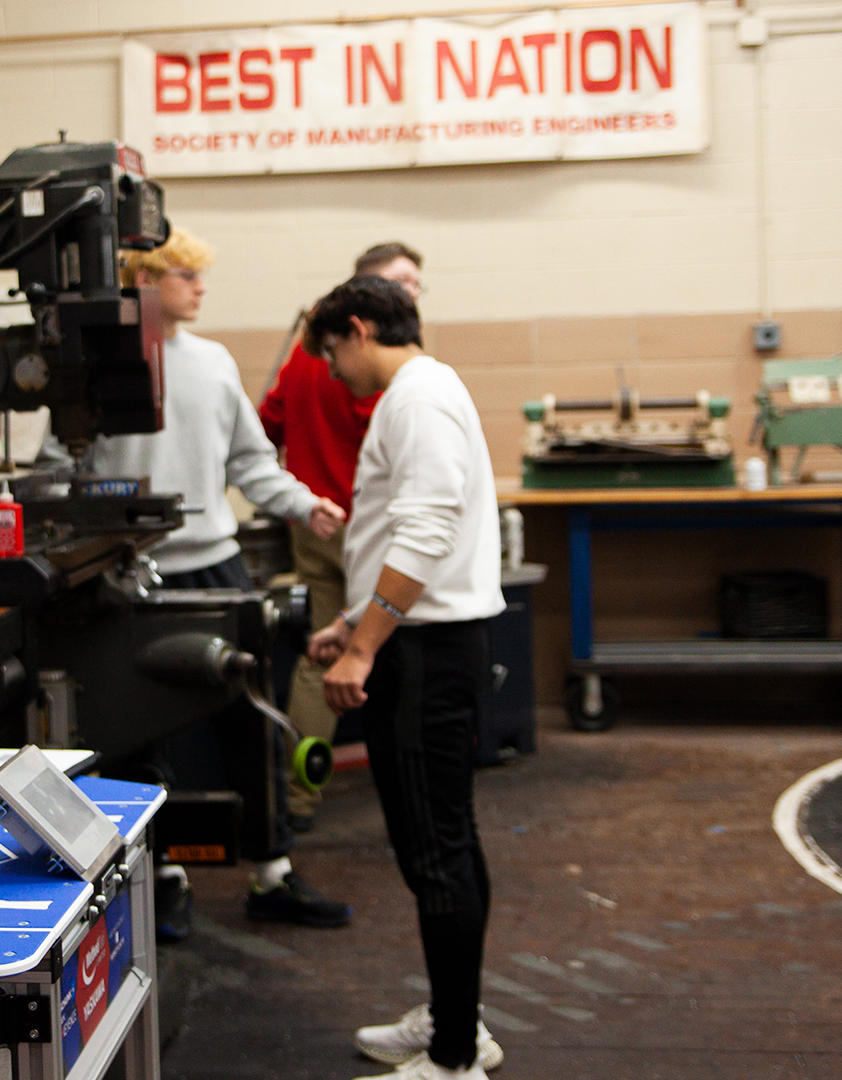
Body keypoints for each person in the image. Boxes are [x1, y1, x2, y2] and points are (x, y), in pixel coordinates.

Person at [87, 225, 352, 936]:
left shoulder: (212, 362)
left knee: (253, 719)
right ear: (143, 278)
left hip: (215, 566)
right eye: (185, 275)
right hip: (130, 576)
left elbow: (252, 463)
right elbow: (64, 464)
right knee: (141, 736)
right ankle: (163, 879)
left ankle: (273, 872)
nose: (201, 287)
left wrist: (305, 504)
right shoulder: (96, 366)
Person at [301, 277, 506, 1080]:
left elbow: (426, 533)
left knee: (436, 855)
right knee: (450, 844)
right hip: (422, 639)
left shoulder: (416, 399)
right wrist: (356, 623)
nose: (330, 369)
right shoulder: (422, 393)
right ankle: (460, 1022)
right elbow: (415, 534)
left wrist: (365, 649)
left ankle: (455, 1061)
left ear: (358, 328)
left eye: (331, 350)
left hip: (424, 654)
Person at [257, 242, 424, 831]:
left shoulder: (306, 356)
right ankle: (396, 793)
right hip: (362, 528)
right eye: (404, 283)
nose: (414, 296)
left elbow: (265, 424)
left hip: (310, 523)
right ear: (367, 308)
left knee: (319, 655)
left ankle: (295, 799)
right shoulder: (373, 370)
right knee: (372, 648)